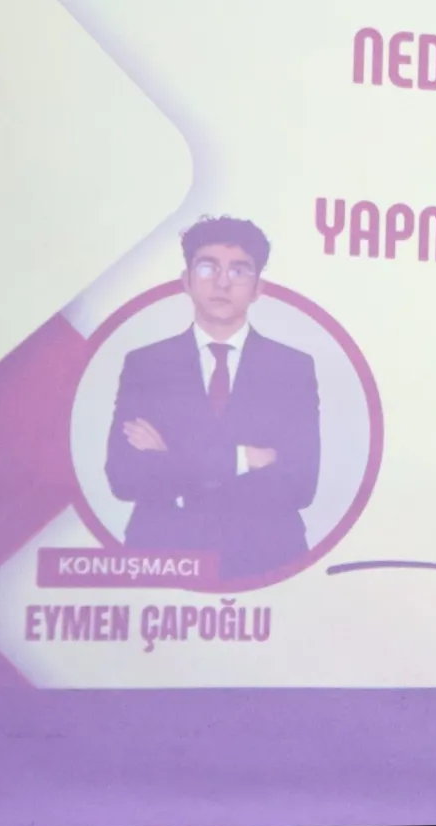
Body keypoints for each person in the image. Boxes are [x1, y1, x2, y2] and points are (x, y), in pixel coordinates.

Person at [104, 215, 321, 580]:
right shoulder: (146, 364)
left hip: (266, 562)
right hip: (163, 557)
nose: (222, 282)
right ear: (186, 281)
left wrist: (170, 458)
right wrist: (245, 458)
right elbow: (124, 477)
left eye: (239, 270)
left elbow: (300, 485)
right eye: (208, 267)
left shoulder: (292, 368)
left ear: (257, 288)